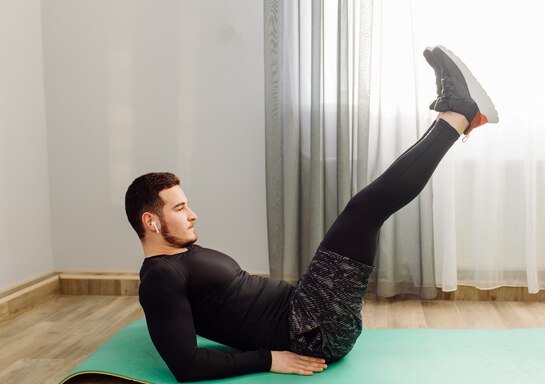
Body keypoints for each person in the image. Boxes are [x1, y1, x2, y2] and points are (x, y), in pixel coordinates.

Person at [124, 45, 497, 382]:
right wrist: (268, 359)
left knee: (365, 211)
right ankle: (458, 113)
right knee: (365, 211)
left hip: (306, 307)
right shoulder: (159, 280)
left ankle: (456, 113)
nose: (193, 214)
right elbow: (186, 365)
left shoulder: (180, 257)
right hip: (313, 327)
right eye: (180, 208)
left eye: (187, 204)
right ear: (150, 222)